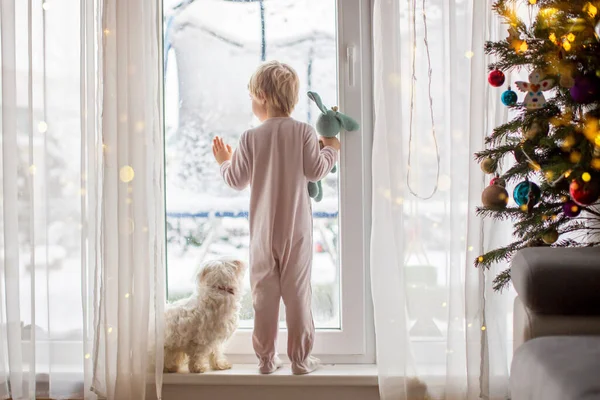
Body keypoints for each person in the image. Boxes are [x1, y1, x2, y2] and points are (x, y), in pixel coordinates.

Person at [211, 60, 339, 374]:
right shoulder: (304, 132)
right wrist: (332, 147)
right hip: (295, 232)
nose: (253, 103)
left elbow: (236, 180)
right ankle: (300, 360)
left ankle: (266, 361)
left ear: (264, 96)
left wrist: (224, 161)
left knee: (264, 298)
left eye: (253, 96)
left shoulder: (251, 138)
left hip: (262, 235)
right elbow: (316, 170)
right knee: (297, 295)